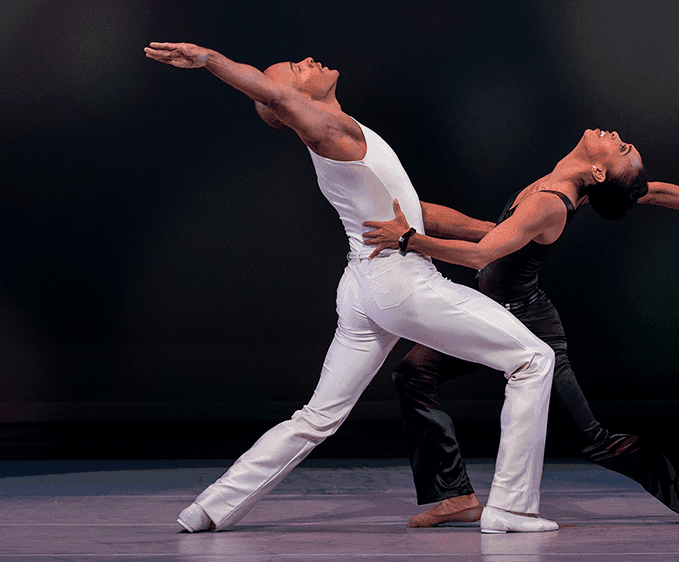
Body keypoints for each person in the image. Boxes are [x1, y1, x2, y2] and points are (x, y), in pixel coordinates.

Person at [143, 42, 559, 534]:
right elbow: (273, 96)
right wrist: (210, 60)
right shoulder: (326, 129)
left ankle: (209, 508)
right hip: (400, 285)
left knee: (318, 416)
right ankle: (511, 507)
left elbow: (414, 210)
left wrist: (497, 230)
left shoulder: (347, 135)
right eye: (294, 71)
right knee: (534, 360)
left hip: (365, 290)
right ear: (289, 100)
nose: (306, 60)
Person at [362, 127, 679, 527]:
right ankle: (452, 495)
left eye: (622, 146)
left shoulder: (552, 203)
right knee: (415, 373)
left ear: (598, 173)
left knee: (590, 438)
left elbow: (480, 254)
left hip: (527, 324)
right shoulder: (567, 182)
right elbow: (656, 191)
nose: (615, 135)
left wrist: (409, 239)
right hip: (492, 310)